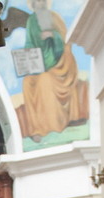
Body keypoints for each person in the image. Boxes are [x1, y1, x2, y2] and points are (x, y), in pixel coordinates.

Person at [20, 0, 87, 142]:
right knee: (27, 82)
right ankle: (36, 129)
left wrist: (53, 36)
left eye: (42, 1)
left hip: (60, 63)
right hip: (40, 64)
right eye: (37, 1)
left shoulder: (54, 17)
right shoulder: (31, 21)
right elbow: (29, 42)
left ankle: (53, 125)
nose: (40, 3)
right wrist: (27, 60)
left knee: (45, 81)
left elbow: (66, 40)